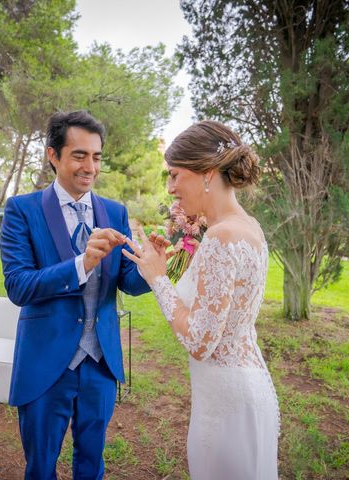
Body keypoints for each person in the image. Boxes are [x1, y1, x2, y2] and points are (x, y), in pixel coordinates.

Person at [123, 120, 280, 479]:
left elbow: (199, 340)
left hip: (224, 406)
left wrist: (158, 278)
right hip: (248, 388)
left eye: (176, 175)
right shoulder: (249, 227)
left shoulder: (222, 237)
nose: (171, 187)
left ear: (207, 173)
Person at [0, 110, 151, 479]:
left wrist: (157, 266)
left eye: (96, 157)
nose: (90, 166)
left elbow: (128, 280)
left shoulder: (114, 211)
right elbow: (19, 285)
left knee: (92, 465)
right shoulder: (22, 209)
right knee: (40, 467)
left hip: (100, 363)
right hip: (46, 364)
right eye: (80, 155)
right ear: (54, 155)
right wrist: (81, 264)